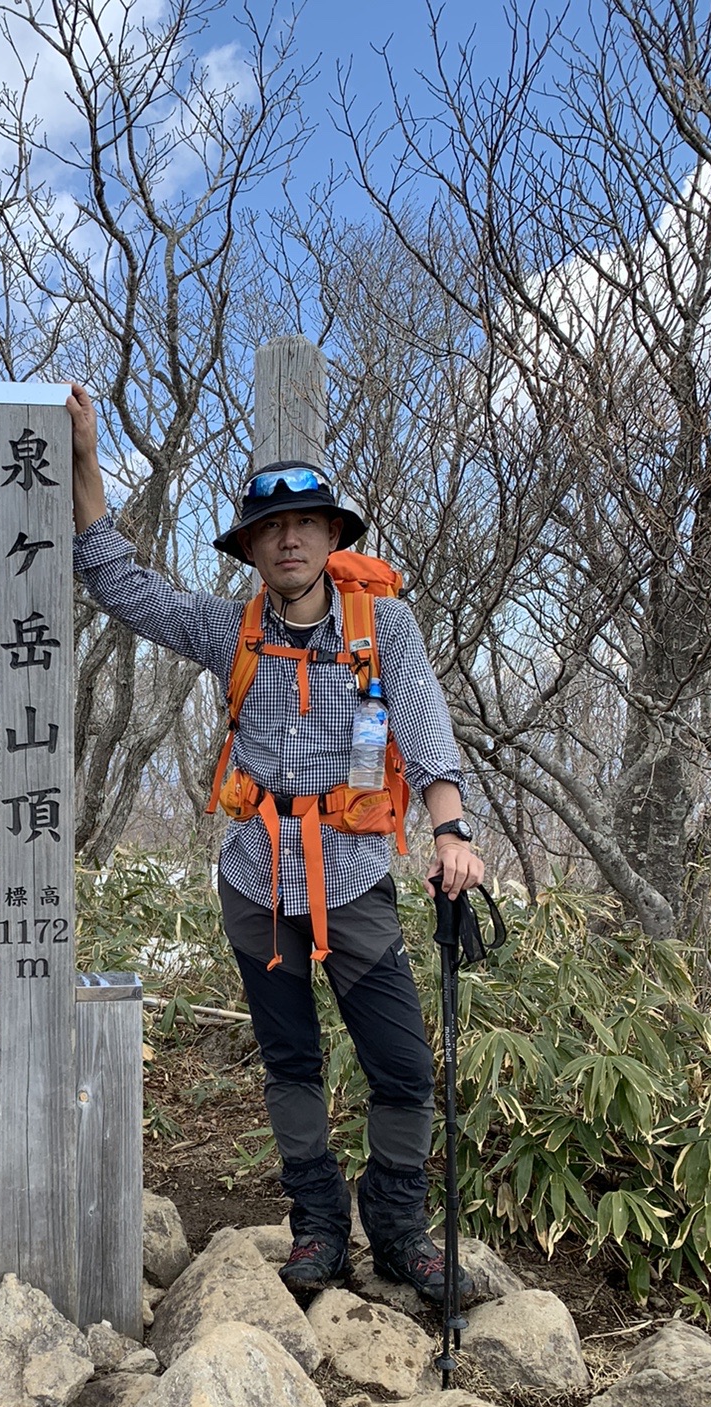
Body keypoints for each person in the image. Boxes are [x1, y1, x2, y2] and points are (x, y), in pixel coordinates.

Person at [66, 383, 487, 1301]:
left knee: (403, 1066)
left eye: (305, 524)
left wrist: (451, 829)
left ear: (332, 536)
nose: (288, 540)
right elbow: (121, 585)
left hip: (355, 876)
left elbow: (426, 727)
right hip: (257, 880)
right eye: (270, 528)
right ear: (251, 548)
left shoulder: (384, 628)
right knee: (291, 1061)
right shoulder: (231, 630)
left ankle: (399, 1230)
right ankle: (318, 1228)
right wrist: (88, 462)